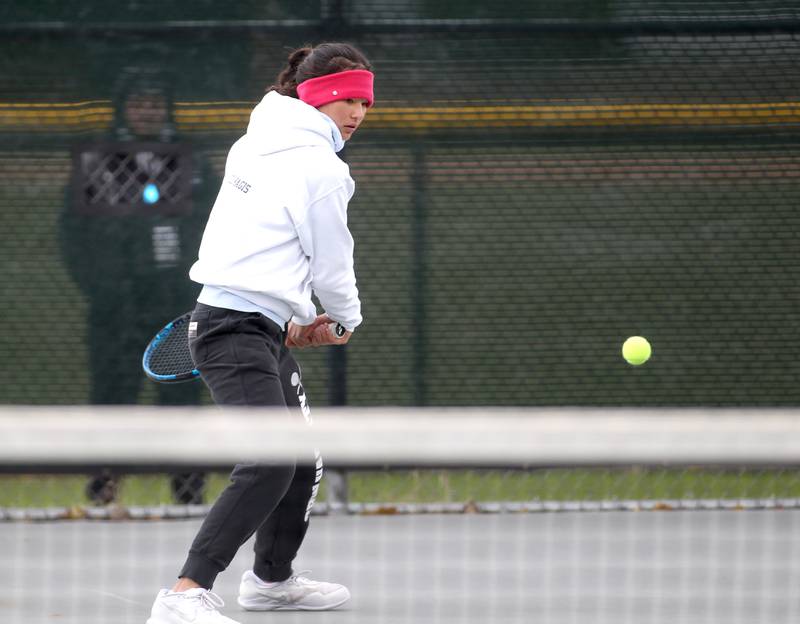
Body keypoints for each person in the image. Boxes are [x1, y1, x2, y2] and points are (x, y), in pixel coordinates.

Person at [145, 42, 373, 624]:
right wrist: (343, 318)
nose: (357, 113)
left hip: (256, 323)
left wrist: (291, 322)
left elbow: (259, 244)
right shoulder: (321, 169)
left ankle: (271, 582)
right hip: (230, 327)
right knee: (271, 460)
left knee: (300, 459)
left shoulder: (254, 142)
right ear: (316, 96)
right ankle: (184, 593)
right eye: (346, 99)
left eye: (365, 103)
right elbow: (331, 262)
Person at [61, 68, 215, 505]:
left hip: (176, 306)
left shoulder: (194, 162)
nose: (147, 111)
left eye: (155, 103)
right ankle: (103, 489)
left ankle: (189, 494)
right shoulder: (97, 160)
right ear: (123, 108)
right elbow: (73, 234)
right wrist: (103, 288)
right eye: (139, 103)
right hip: (115, 309)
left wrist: (193, 287)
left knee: (182, 396)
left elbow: (216, 226)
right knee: (112, 396)